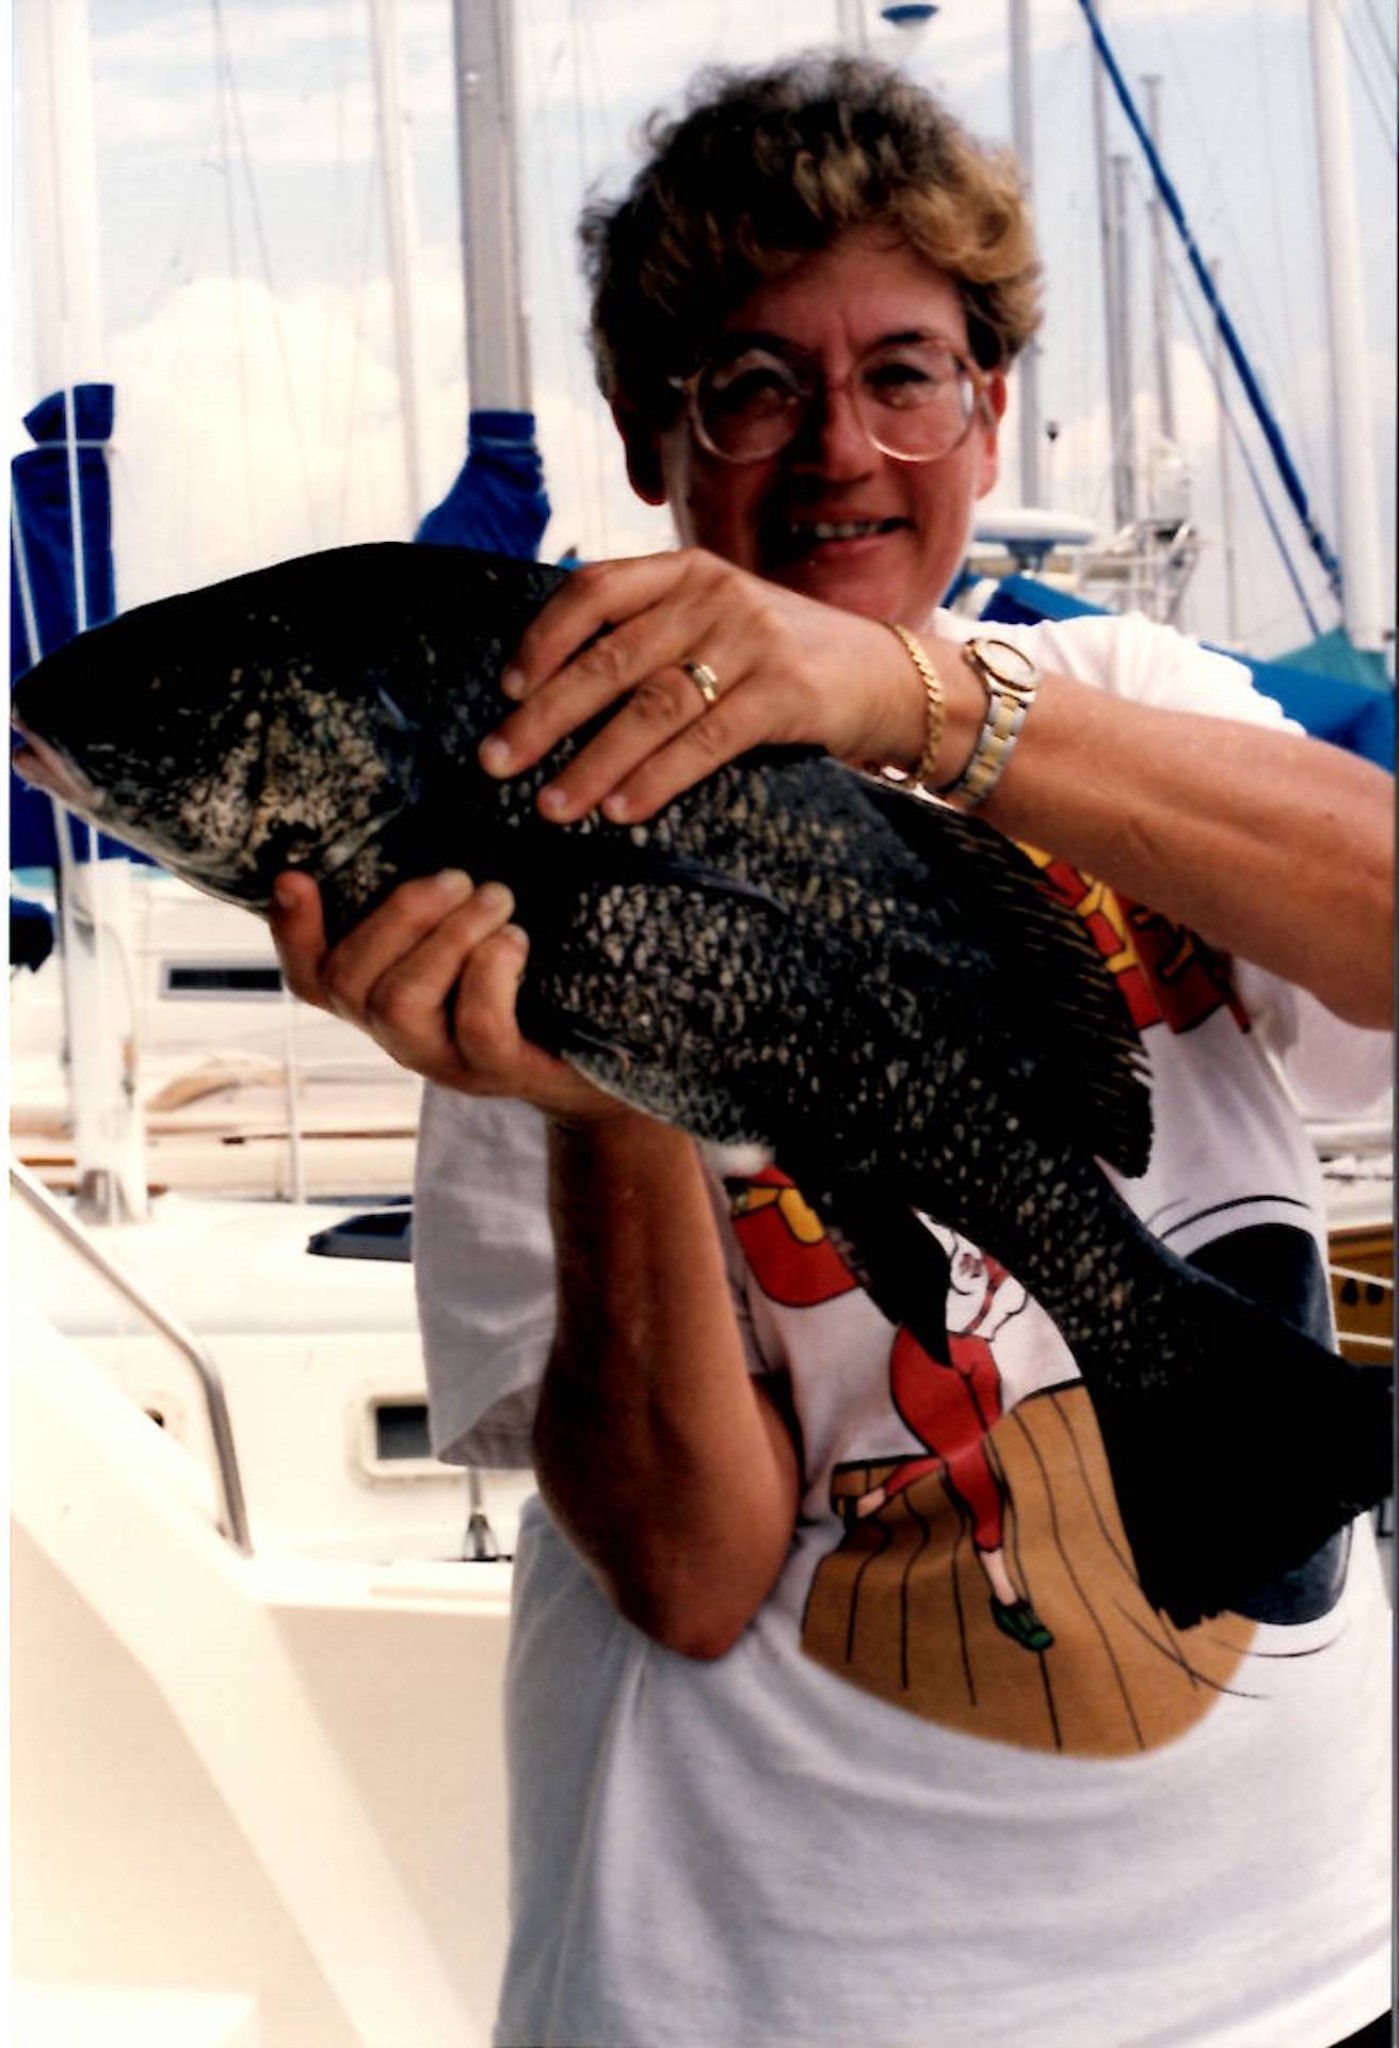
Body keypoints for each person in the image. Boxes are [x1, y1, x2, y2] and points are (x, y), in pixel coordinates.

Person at [272, 54, 1393, 2048]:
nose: (840, 449)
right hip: (788, 1996)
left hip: (1304, 1975)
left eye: (903, 374)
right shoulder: (528, 869)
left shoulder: (1115, 698)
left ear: (989, 412)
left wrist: (906, 697)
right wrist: (598, 1082)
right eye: (752, 386)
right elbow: (687, 1575)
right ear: (655, 438)